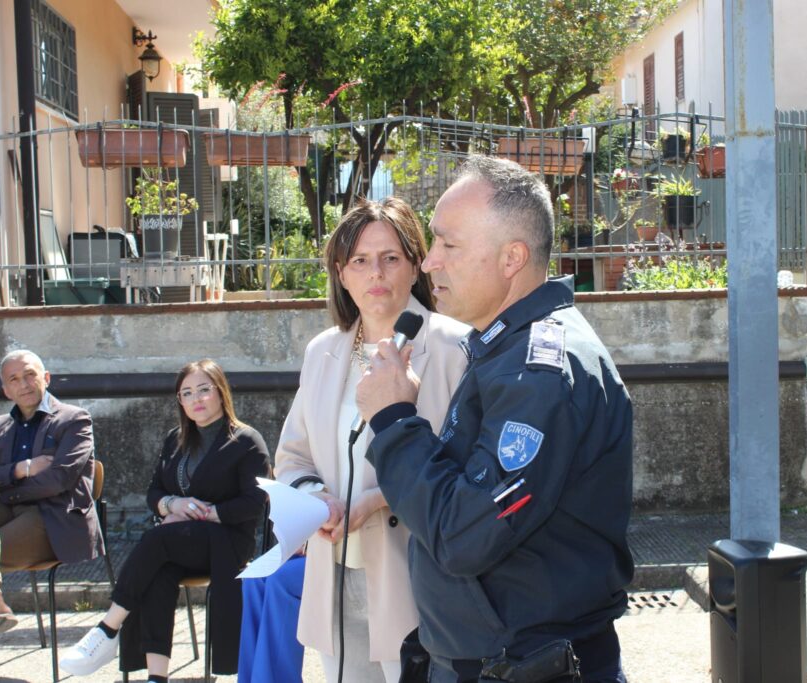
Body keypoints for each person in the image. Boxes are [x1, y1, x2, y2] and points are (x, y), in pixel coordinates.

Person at [356, 156, 635, 682]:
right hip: (496, 657)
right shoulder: (507, 349)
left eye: (449, 245)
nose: (429, 262)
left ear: (513, 258)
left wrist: (393, 420)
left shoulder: (538, 373)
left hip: (527, 666)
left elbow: (466, 534)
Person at [262, 197, 468, 683]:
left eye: (390, 257)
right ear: (341, 273)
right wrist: (316, 498)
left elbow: (463, 466)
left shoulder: (454, 347)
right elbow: (293, 455)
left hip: (415, 574)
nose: (375, 272)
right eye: (359, 260)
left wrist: (374, 500)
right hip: (334, 575)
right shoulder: (322, 351)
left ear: (416, 265)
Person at [60, 359, 270, 681]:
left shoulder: (245, 440)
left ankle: (108, 627)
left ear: (220, 392)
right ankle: (156, 677)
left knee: (156, 540)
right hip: (177, 544)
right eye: (187, 393)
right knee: (158, 574)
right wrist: (174, 504)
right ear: (180, 401)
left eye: (204, 390)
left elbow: (255, 502)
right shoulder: (176, 438)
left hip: (225, 542)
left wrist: (205, 513)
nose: (196, 399)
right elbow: (154, 492)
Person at [0, 349, 101, 633]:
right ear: (6, 390)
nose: (24, 384)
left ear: (46, 378)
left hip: (54, 518)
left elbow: (57, 481)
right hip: (10, 513)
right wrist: (22, 469)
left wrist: (1, 482)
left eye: (30, 374)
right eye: (14, 379)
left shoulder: (74, 420)